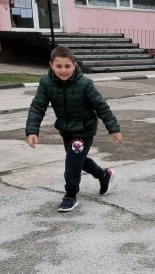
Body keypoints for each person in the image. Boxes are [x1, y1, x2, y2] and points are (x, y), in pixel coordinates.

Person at [25, 46, 122, 213]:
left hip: (85, 129)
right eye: (59, 66)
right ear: (51, 65)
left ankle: (70, 196)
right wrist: (32, 130)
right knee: (79, 160)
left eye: (67, 66)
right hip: (66, 130)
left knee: (72, 163)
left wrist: (113, 128)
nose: (63, 70)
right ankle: (104, 176)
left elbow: (101, 107)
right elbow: (37, 106)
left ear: (74, 65)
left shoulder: (85, 84)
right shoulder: (46, 83)